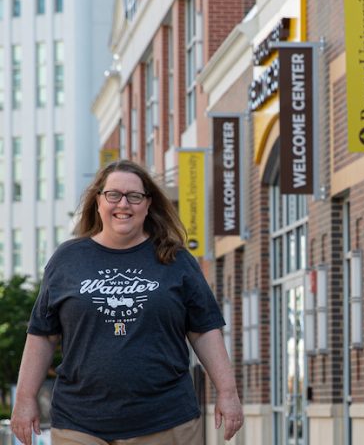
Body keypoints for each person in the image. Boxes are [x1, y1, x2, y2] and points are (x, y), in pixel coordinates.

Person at [10, 159, 243, 445]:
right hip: (79, 422)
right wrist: (24, 399)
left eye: (135, 196)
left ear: (148, 205)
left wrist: (228, 393)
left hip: (164, 421)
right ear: (98, 202)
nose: (124, 204)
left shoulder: (176, 260)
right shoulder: (68, 260)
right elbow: (42, 336)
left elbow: (204, 330)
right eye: (113, 195)